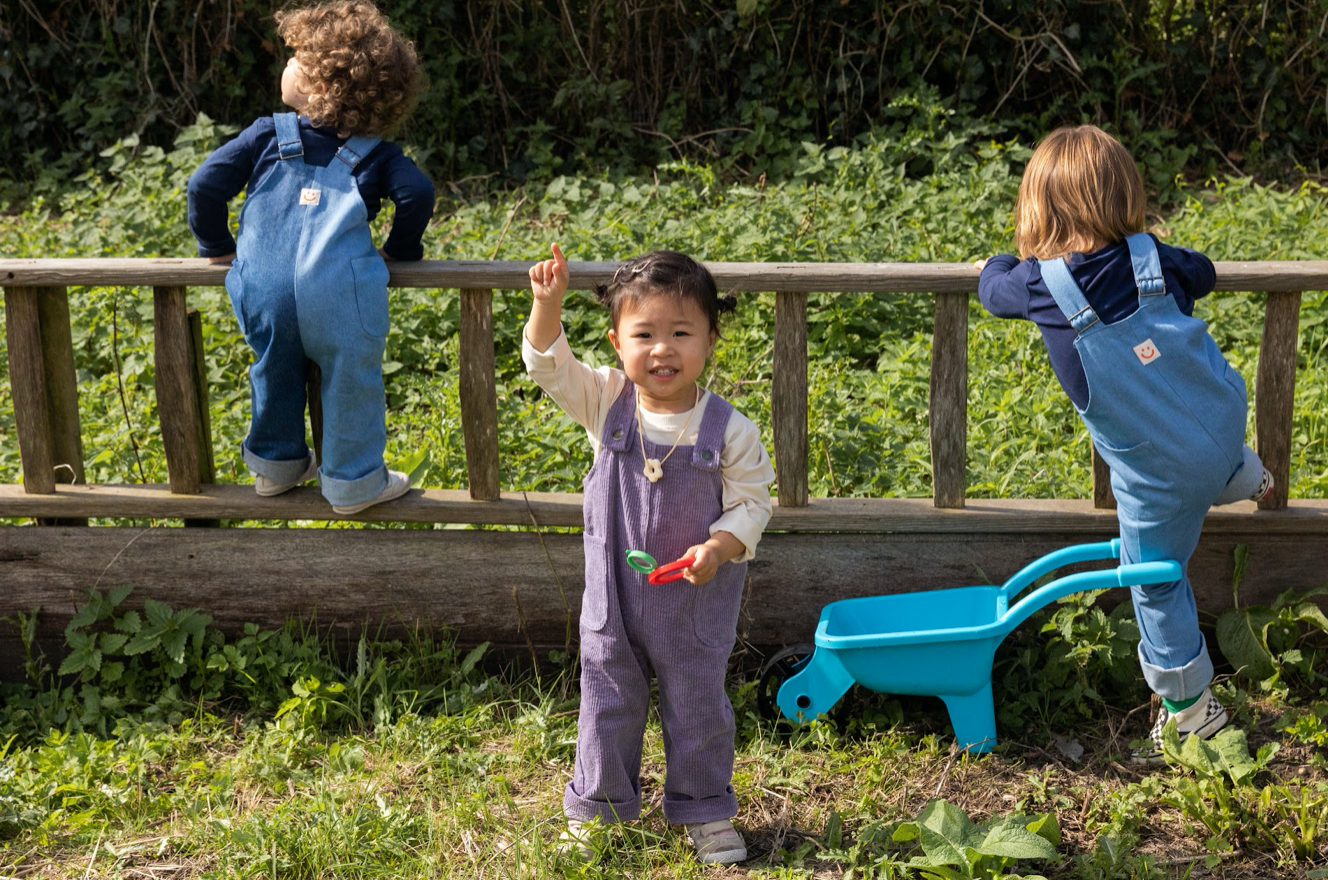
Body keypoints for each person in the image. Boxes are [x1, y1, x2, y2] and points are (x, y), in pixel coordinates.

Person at [976, 125, 1273, 765]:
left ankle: (1193, 714)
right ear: (1122, 197)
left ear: (1039, 210)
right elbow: (1207, 272)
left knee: (1156, 581)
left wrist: (1001, 261)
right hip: (1221, 425)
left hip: (1158, 478)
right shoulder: (1155, 258)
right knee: (1210, 458)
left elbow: (991, 291)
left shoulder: (1039, 284)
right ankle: (1242, 474)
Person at [524, 244, 775, 863]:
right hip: (613, 601)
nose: (663, 349)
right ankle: (599, 808)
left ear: (710, 340)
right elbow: (546, 365)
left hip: (694, 601)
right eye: (645, 333)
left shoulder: (729, 429)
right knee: (607, 701)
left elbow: (753, 504)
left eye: (681, 332)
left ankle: (706, 810)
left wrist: (718, 547)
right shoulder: (607, 403)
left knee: (697, 707)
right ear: (617, 343)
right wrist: (546, 305)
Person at [187, 0, 433, 514]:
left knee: (272, 368)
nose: (288, 65)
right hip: (341, 296)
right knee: (350, 378)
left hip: (264, 289)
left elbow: (205, 184)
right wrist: (398, 251)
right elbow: (417, 195)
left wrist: (217, 248)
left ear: (322, 84)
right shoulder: (378, 152)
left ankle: (275, 469)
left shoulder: (266, 135)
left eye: (298, 57)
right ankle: (352, 484)